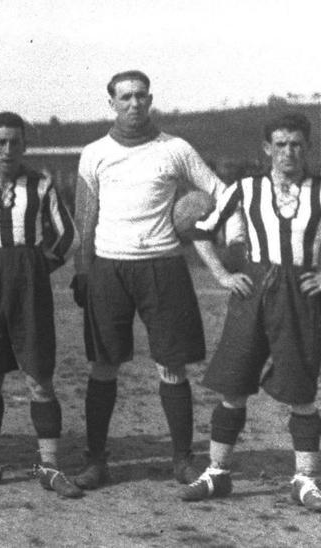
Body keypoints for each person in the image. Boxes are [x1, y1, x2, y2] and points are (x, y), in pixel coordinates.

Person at [72, 70, 223, 490]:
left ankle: (182, 461)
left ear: (150, 99)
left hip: (162, 266)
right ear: (112, 103)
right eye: (125, 97)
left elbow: (220, 192)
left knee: (171, 366)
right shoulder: (94, 152)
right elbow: (85, 217)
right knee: (103, 365)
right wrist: (83, 270)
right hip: (108, 266)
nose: (134, 104)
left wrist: (195, 224)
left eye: (140, 96)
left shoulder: (175, 148)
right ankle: (96, 462)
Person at [180, 113, 321, 510]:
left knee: (301, 388)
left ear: (306, 146)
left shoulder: (318, 191)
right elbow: (201, 230)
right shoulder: (246, 188)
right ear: (267, 149)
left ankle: (305, 479)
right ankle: (218, 473)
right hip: (254, 288)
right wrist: (223, 275)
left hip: (299, 293)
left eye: (296, 144)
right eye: (280, 144)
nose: (288, 151)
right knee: (233, 384)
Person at [0, 112, 81, 498]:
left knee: (39, 376)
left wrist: (40, 267)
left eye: (15, 142)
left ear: (25, 145)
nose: (8, 149)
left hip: (29, 281)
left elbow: (69, 237)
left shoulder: (41, 186)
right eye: (0, 142)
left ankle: (50, 465)